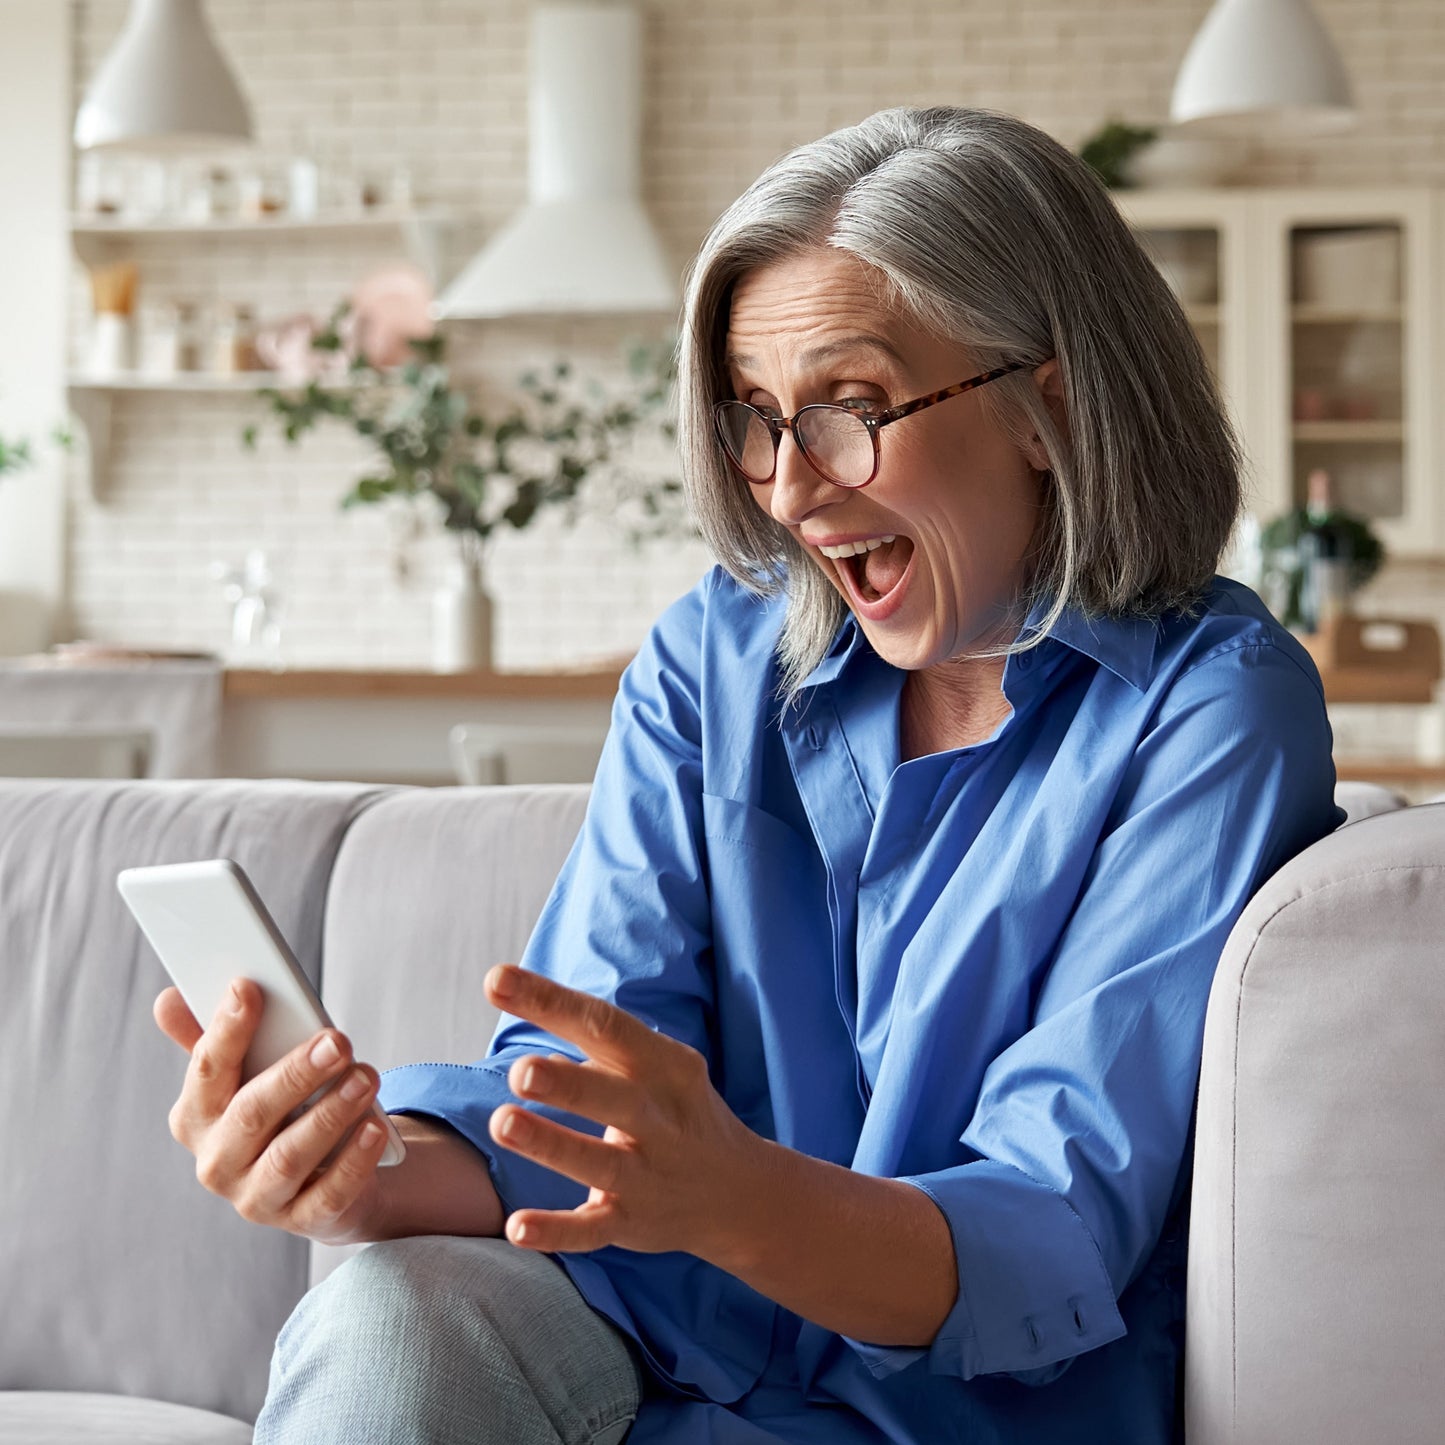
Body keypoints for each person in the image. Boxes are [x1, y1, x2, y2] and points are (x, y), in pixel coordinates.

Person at [154, 106, 1343, 1445]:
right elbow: (585, 1076)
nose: (787, 489)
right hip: (654, 1355)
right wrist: (359, 1174)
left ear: (1043, 402)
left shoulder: (1210, 704)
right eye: (757, 419)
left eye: (851, 409)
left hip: (949, 1416)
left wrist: (728, 1194)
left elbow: (1053, 1217)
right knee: (388, 1308)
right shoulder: (709, 660)